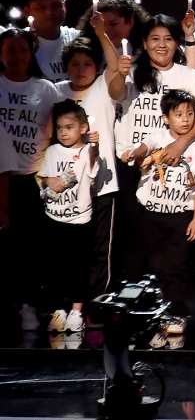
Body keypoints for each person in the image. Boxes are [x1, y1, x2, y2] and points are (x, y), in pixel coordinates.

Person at [114, 14, 195, 281]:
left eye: (168, 39)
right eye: (155, 39)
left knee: (170, 249)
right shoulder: (130, 72)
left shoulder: (189, 76)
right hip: (132, 164)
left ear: (177, 43)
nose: (162, 45)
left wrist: (180, 144)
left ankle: (170, 306)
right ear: (144, 42)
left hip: (171, 166)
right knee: (133, 247)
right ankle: (132, 306)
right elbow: (114, 97)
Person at [122, 89, 195, 337]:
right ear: (165, 118)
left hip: (180, 215)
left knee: (177, 266)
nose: (185, 119)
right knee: (156, 265)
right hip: (150, 214)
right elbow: (143, 147)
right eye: (179, 114)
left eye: (190, 114)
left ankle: (177, 313)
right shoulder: (158, 136)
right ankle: (157, 312)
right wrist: (137, 153)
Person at [54, 20, 128, 303]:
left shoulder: (103, 88)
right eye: (75, 64)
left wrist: (101, 33)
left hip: (101, 188)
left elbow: (113, 64)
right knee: (70, 250)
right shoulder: (58, 92)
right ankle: (69, 305)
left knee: (100, 249)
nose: (81, 69)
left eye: (87, 63)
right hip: (67, 189)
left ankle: (98, 302)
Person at [0, 28, 62, 331]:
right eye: (10, 50)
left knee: (32, 250)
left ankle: (30, 305)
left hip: (33, 179)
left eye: (22, 50)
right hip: (2, 177)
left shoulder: (45, 89)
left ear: (31, 53)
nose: (16, 56)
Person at [37, 100, 100, 333]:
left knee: (79, 267)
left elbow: (93, 165)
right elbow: (42, 178)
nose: (63, 132)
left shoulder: (86, 151)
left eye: (69, 127)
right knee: (56, 267)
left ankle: (77, 310)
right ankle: (59, 309)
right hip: (54, 218)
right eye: (60, 127)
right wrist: (48, 181)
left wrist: (94, 146)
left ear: (82, 128)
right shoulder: (52, 151)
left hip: (79, 221)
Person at [24, 0, 81, 81]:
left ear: (64, 6)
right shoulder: (18, 43)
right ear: (27, 11)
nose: (49, 13)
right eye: (41, 8)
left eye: (56, 6)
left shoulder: (78, 39)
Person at [76, 0, 149, 59]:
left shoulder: (148, 53)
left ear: (130, 22)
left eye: (113, 24)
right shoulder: (85, 55)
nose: (106, 30)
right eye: (102, 24)